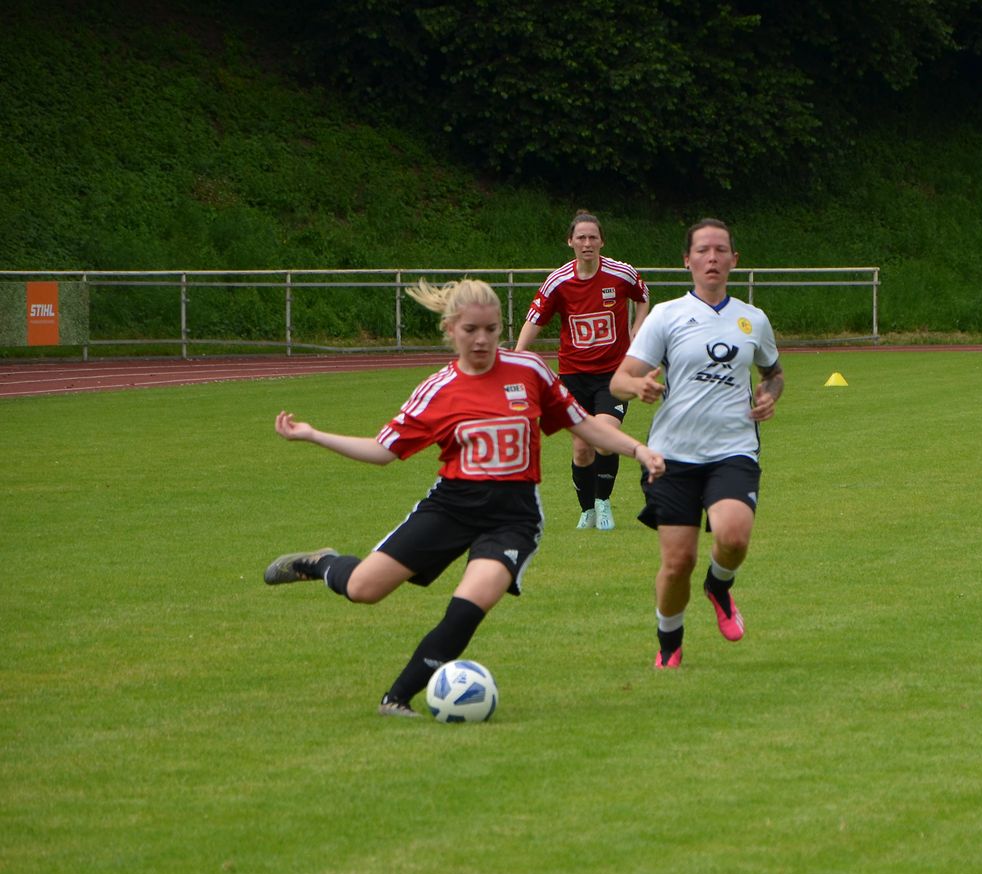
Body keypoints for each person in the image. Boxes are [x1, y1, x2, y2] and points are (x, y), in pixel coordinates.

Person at [264, 278, 666, 718]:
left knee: (467, 607)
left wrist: (637, 449)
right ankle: (321, 562)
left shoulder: (529, 371)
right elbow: (382, 452)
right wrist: (313, 435)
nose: (482, 340)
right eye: (471, 329)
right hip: (451, 507)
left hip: (513, 518)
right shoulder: (438, 389)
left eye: (492, 329)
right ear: (451, 329)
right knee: (363, 589)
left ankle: (396, 699)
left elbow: (583, 424)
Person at [610, 218, 784, 669]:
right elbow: (619, 380)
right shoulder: (666, 315)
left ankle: (719, 586)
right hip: (672, 456)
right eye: (703, 250)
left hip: (733, 449)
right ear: (687, 260)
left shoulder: (753, 319)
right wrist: (639, 388)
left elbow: (774, 373)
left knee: (733, 536)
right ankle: (669, 644)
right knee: (677, 562)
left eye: (721, 250)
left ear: (733, 260)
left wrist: (770, 396)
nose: (712, 257)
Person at [515, 210, 652, 530]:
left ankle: (604, 504)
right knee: (581, 448)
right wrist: (517, 357)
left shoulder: (622, 274)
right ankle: (587, 510)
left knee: (605, 438)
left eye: (593, 237)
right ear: (570, 242)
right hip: (573, 376)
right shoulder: (558, 282)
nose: (587, 243)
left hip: (613, 376)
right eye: (581, 238)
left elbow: (643, 298)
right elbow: (535, 319)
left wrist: (636, 331)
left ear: (602, 241)